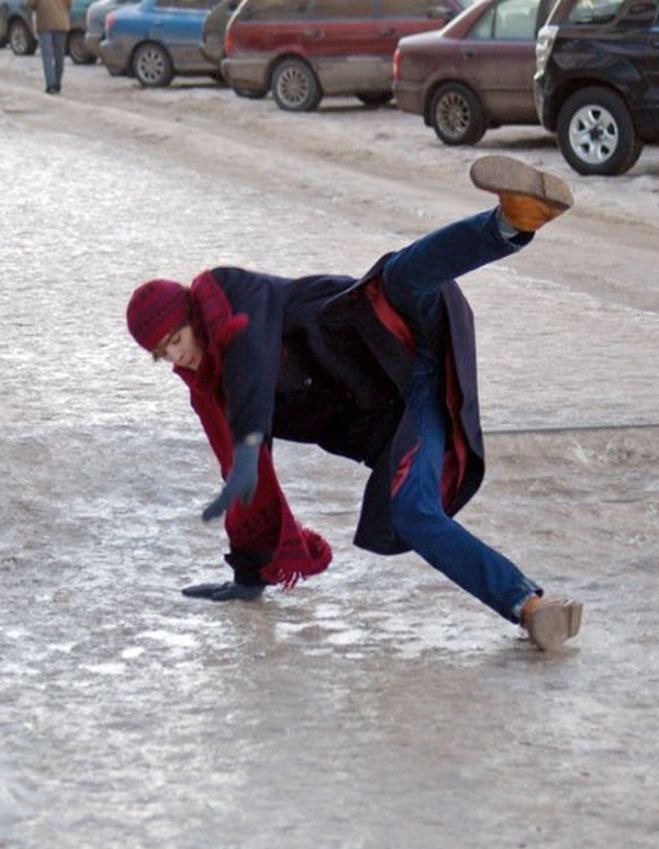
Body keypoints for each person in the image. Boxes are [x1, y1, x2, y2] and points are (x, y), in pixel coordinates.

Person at [126, 156, 583, 652]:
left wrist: (248, 436)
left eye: (175, 338)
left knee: (400, 275)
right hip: (409, 416)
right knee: (412, 513)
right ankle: (531, 608)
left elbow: (249, 363)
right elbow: (244, 477)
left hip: (394, 334)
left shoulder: (227, 293)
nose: (176, 357)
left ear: (193, 314)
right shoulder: (212, 394)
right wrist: (249, 571)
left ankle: (512, 221)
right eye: (161, 354)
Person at [26, 0, 71, 95]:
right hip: (61, 22)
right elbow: (69, 3)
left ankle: (51, 85)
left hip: (45, 23)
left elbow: (30, 3)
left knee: (47, 56)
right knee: (59, 54)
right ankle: (58, 83)